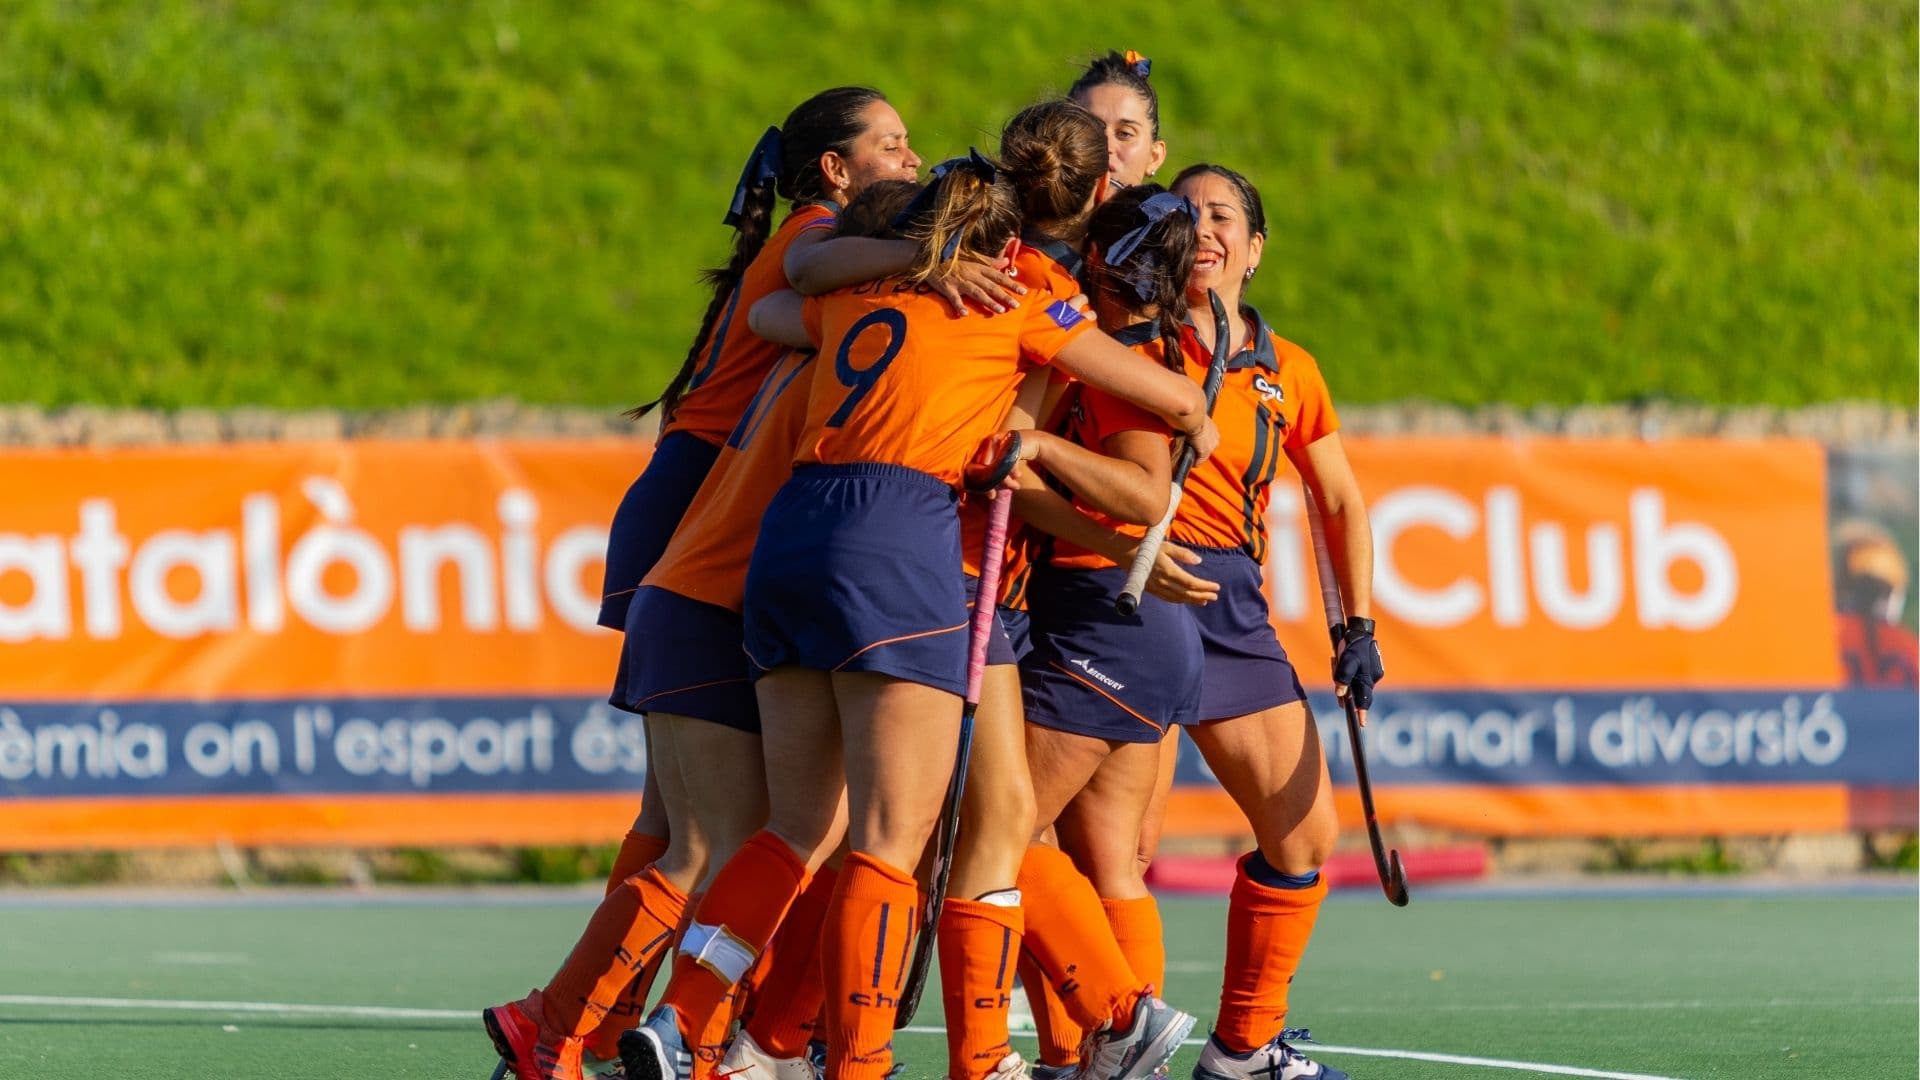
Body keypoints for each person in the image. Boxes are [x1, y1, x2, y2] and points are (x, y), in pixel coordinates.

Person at [624, 151, 1215, 1080]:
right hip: (902, 538)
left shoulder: (849, 295)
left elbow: (771, 308)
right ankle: (862, 1060)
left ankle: (682, 1017)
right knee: (893, 839)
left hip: (792, 536)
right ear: (1005, 247)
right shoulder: (1015, 301)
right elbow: (1173, 400)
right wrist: (1193, 418)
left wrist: (905, 262)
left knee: (798, 828)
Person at [483, 88, 922, 1080]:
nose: (914, 160)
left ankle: (581, 1027)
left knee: (679, 822)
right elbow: (805, 293)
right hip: (705, 506)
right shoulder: (821, 240)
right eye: (891, 145)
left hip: (697, 499)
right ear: (834, 172)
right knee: (722, 834)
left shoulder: (826, 249)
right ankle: (634, 1032)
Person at [1162, 163, 1383, 1080]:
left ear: (1253, 249)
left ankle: (1241, 1052)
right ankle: (1084, 1045)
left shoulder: (1288, 367)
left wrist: (1357, 627)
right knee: (1098, 845)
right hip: (1126, 588)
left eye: (1222, 216)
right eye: (1184, 211)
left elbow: (1340, 499)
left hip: (1229, 601)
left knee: (1303, 831)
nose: (1202, 227)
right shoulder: (1124, 336)